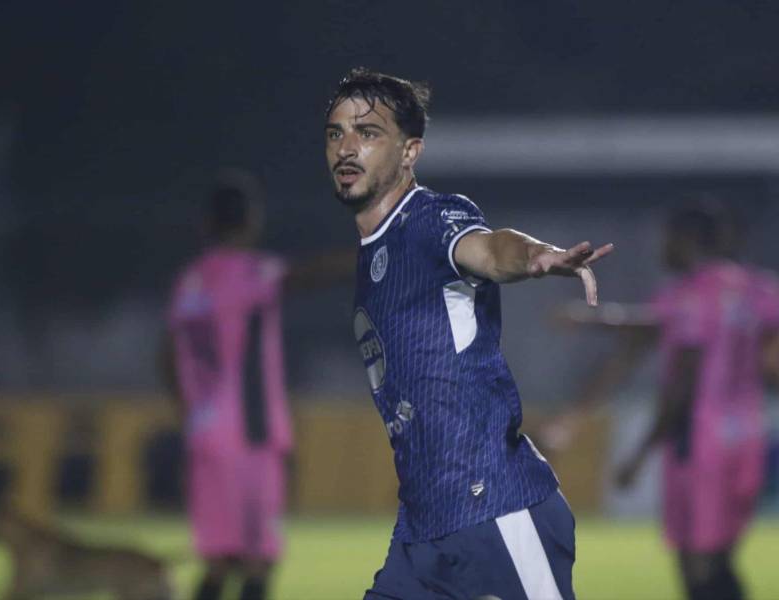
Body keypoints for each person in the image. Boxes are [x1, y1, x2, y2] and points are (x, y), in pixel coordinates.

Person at [324, 67, 614, 600]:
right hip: (421, 529)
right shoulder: (373, 252)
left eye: (368, 133)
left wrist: (535, 257)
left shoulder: (431, 217)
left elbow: (488, 247)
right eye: (336, 131)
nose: (347, 147)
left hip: (495, 510)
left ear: (409, 152)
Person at [556, 205, 779, 600]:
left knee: (698, 564)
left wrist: (641, 454)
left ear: (689, 240)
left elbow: (682, 378)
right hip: (746, 437)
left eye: (669, 239)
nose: (663, 248)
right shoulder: (757, 289)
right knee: (719, 558)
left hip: (701, 441)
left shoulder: (690, 293)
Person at [162, 171, 293, 600]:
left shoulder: (190, 281)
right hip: (249, 434)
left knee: (218, 560)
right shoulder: (253, 271)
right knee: (258, 559)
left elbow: (165, 353)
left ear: (207, 224)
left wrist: (188, 413)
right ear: (251, 220)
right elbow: (304, 276)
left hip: (205, 431)